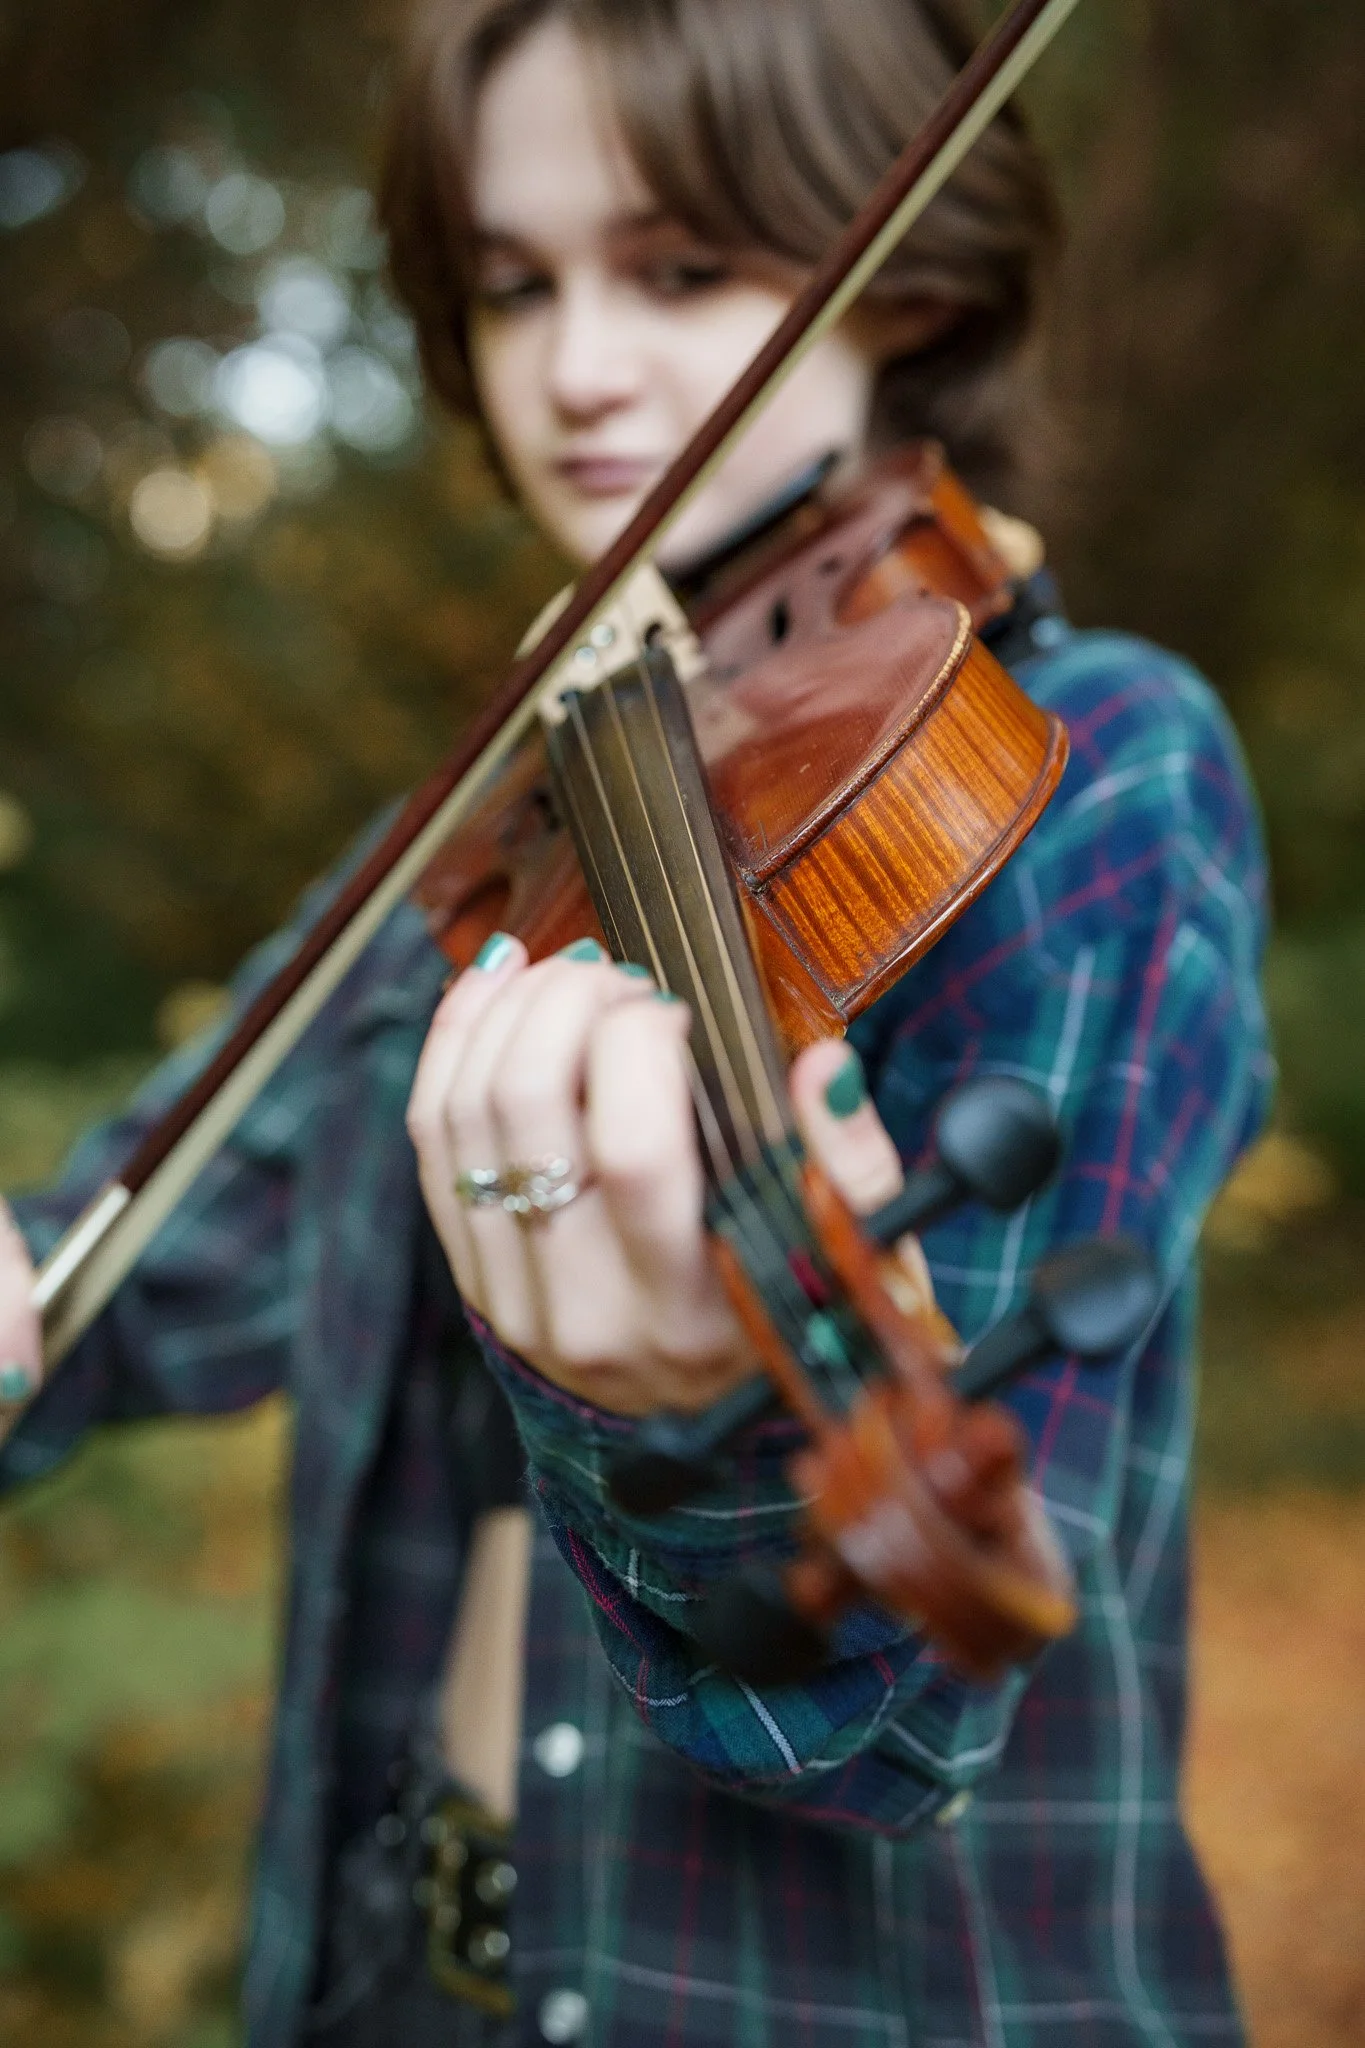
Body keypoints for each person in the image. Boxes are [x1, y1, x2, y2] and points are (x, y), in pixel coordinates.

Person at [0, 0, 1273, 2043]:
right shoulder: (478, 840)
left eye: (680, 270)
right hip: (393, 1976)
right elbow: (133, 1264)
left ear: (904, 269)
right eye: (514, 286)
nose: (580, 369)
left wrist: (691, 1406)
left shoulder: (1086, 774)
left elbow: (902, 1721)